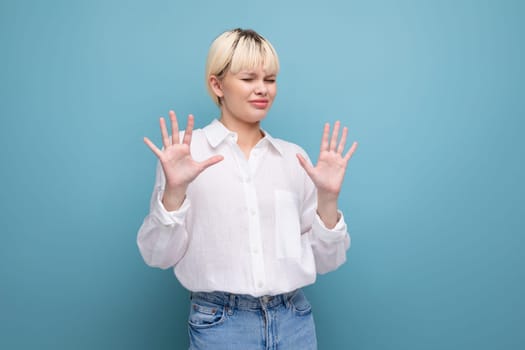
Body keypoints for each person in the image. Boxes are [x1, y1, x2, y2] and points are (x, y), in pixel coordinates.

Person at [137, 28, 358, 350]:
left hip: (294, 320)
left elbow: (327, 261)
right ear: (217, 85)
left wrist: (328, 200)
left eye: (269, 80)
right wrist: (174, 193)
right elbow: (157, 256)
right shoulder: (186, 155)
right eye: (248, 78)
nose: (262, 90)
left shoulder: (293, 159)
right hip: (221, 325)